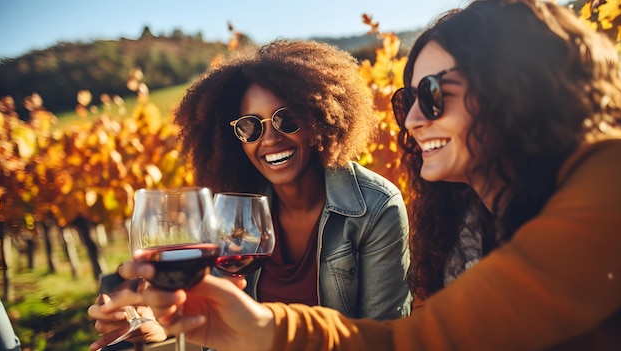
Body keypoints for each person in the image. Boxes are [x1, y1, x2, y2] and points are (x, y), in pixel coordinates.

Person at [121, 0, 621, 350]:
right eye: (407, 100)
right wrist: (169, 330)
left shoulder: (611, 181)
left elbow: (413, 340)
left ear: (516, 88)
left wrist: (269, 332)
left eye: (433, 94)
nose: (410, 120)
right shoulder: (464, 221)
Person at [88, 39, 412, 350]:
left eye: (285, 118)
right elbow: (216, 318)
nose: (269, 139)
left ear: (317, 116)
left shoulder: (375, 207)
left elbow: (385, 338)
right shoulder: (233, 209)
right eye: (250, 127)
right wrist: (162, 324)